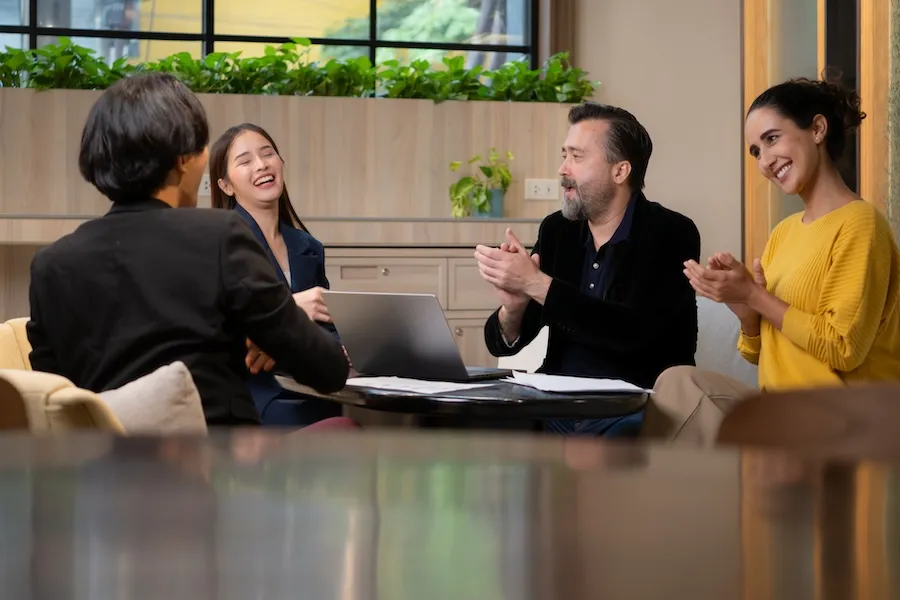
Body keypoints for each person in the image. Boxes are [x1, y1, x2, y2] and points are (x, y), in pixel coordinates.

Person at [26, 72, 353, 427]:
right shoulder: (218, 237)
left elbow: (55, 397)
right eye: (202, 148)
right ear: (185, 158)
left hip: (101, 473)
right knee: (344, 430)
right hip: (217, 469)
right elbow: (329, 369)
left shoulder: (50, 265)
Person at [643, 76, 900, 445]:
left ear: (817, 128)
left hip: (846, 418)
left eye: (771, 139)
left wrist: (755, 296)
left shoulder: (861, 225)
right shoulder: (784, 232)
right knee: (678, 382)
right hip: (781, 407)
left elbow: (843, 348)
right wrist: (745, 312)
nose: (764, 161)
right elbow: (758, 353)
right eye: (755, 152)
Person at [475, 102, 702, 436]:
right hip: (559, 401)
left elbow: (632, 332)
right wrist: (514, 307)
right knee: (466, 428)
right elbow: (504, 342)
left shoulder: (671, 233)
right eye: (564, 155)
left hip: (635, 405)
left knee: (598, 453)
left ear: (620, 171)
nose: (563, 169)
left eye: (577, 157)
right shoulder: (557, 230)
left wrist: (537, 284)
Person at [209, 123, 346, 426]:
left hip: (312, 390)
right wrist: (291, 311)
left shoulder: (308, 246)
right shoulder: (218, 241)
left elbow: (327, 329)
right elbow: (215, 328)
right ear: (226, 186)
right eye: (245, 161)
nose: (261, 165)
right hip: (252, 396)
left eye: (268, 153)